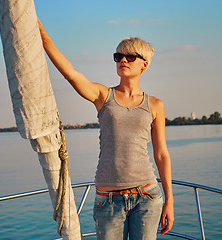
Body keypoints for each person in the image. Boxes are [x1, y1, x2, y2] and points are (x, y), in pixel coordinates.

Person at [37, 18, 174, 240]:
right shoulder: (103, 96)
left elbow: (161, 154)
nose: (123, 61)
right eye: (118, 56)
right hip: (108, 200)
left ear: (144, 64)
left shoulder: (155, 105)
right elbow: (71, 74)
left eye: (130, 57)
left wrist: (170, 199)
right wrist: (42, 34)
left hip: (147, 196)